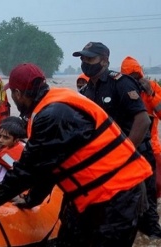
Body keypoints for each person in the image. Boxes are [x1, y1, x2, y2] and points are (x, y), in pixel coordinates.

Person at [0, 63, 152, 247]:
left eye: (13, 93)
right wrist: (32, 200)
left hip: (119, 193)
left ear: (17, 93)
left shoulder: (51, 115)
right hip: (95, 191)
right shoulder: (55, 102)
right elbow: (48, 166)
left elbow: (28, 168)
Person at [73, 42, 161, 238]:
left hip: (136, 154)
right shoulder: (86, 91)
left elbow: (143, 120)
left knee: (147, 216)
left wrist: (123, 153)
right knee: (117, 213)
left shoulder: (121, 83)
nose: (85, 63)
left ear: (104, 61)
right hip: (108, 161)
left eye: (90, 58)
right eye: (83, 59)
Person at [121, 56, 161, 200]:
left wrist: (151, 94)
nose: (135, 81)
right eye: (131, 78)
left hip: (152, 147)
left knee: (156, 186)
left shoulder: (152, 87)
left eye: (137, 77)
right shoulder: (120, 89)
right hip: (128, 146)